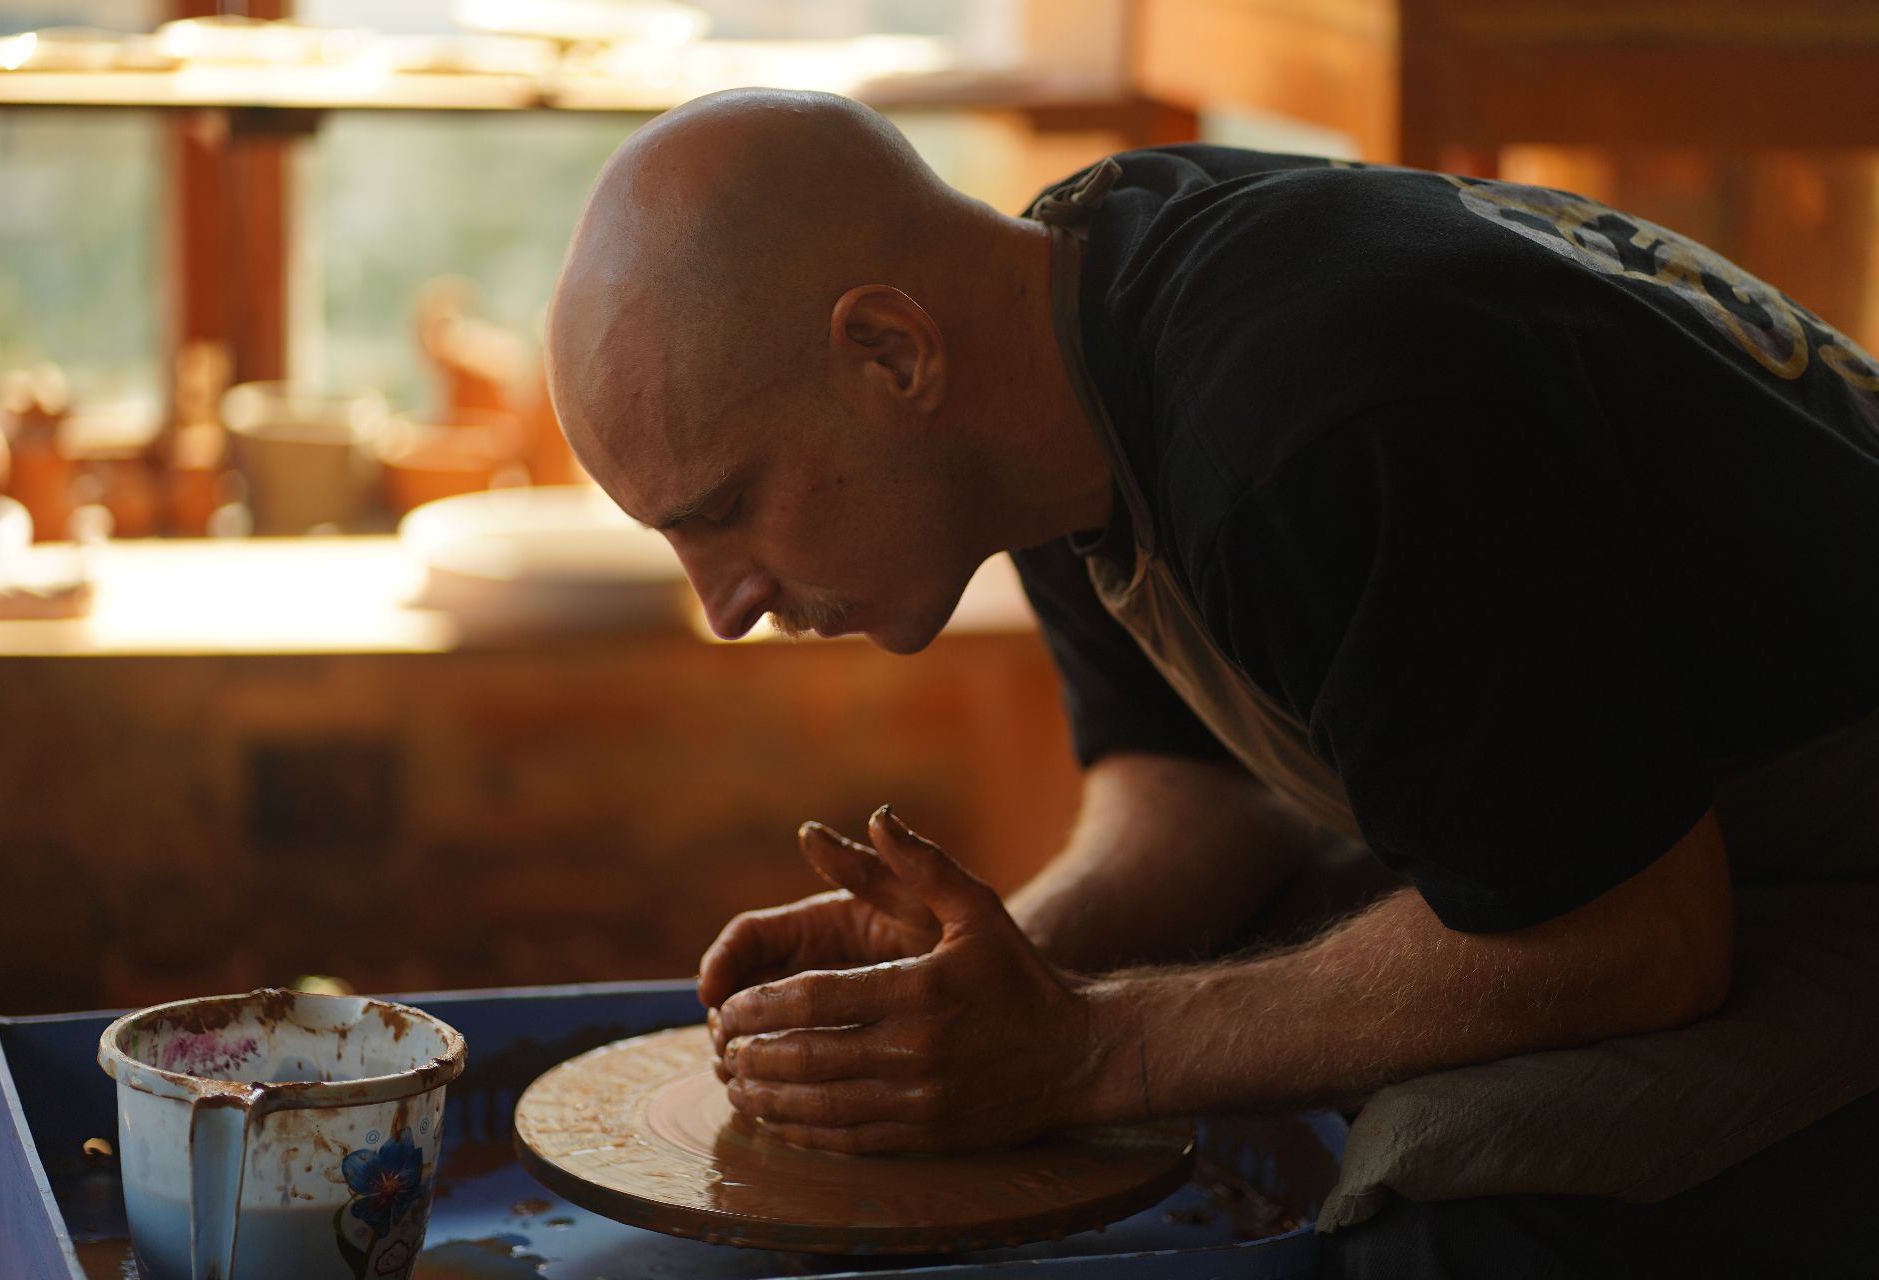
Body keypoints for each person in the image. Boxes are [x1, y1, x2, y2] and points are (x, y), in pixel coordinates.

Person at [545, 88, 1879, 1277]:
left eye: (726, 509)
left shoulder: (1312, 407)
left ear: (893, 355)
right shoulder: (1051, 339)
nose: (724, 606)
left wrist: (1079, 1049)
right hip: (1656, 829)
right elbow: (1204, 803)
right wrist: (967, 991)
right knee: (1249, 977)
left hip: (1788, 851)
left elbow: (1634, 937)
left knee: (1455, 1203)